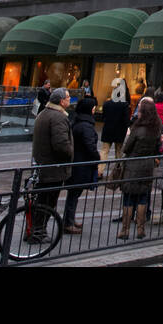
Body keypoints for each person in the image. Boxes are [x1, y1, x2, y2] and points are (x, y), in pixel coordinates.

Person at [31, 87, 73, 241]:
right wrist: (70, 152)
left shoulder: (44, 114)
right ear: (61, 101)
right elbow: (61, 144)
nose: (70, 100)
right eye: (68, 98)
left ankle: (36, 230)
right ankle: (38, 232)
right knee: (47, 202)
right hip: (53, 167)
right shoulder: (58, 117)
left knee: (43, 200)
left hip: (44, 165)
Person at [118, 97, 161, 239]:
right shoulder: (156, 128)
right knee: (143, 196)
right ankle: (140, 228)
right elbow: (157, 147)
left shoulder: (137, 128)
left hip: (133, 165)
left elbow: (127, 147)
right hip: (147, 165)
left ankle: (125, 229)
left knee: (129, 197)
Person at [62, 95, 100, 234]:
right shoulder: (86, 126)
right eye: (93, 108)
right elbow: (90, 145)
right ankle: (68, 222)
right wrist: (97, 157)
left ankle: (69, 219)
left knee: (74, 194)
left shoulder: (78, 122)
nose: (95, 110)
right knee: (74, 194)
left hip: (77, 163)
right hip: (81, 165)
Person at [99, 78, 130, 171]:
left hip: (108, 129)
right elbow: (126, 120)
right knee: (118, 151)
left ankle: (99, 170)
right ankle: (118, 169)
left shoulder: (106, 104)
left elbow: (103, 117)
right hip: (119, 131)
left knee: (104, 151)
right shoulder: (124, 105)